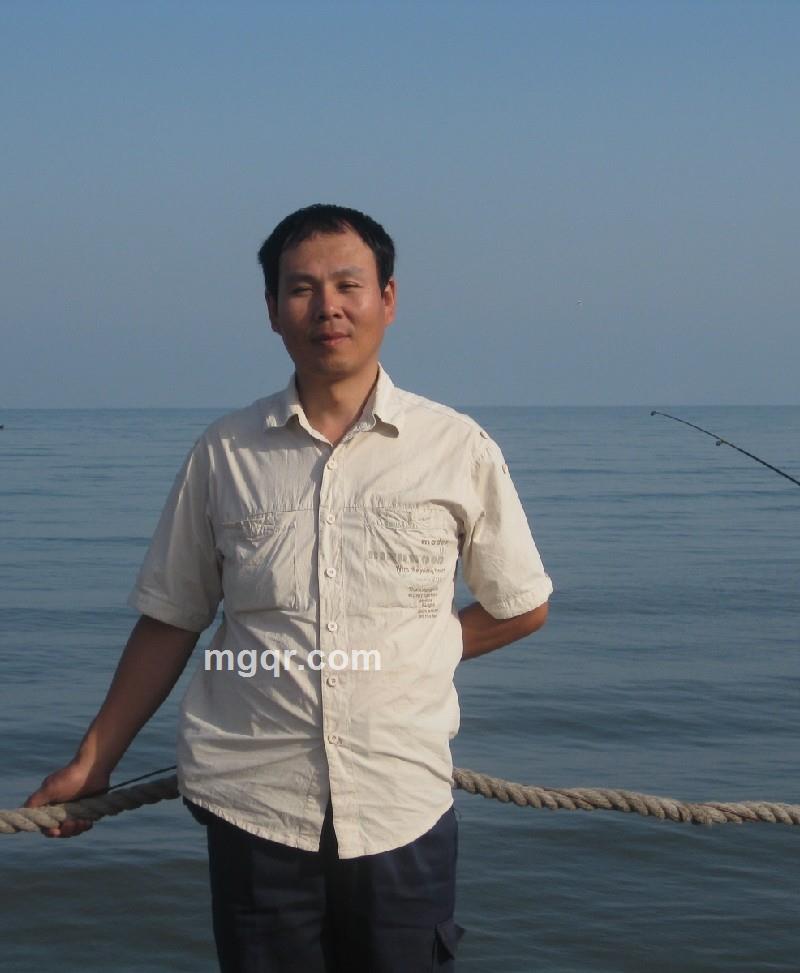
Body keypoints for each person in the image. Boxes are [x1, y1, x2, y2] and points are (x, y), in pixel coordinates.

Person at [25, 203, 553, 972]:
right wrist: (93, 759)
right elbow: (171, 619)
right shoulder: (224, 453)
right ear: (272, 309)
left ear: (388, 299)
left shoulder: (456, 447)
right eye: (301, 288)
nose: (327, 306)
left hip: (402, 807)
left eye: (348, 284)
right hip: (255, 809)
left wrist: (417, 649)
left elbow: (521, 604)